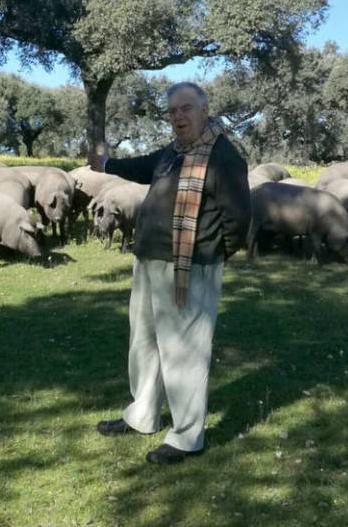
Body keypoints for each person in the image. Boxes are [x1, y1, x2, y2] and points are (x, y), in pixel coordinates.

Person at [89, 81, 250, 464]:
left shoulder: (224, 157)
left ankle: (186, 436)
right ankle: (143, 414)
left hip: (190, 269)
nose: (178, 116)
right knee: (144, 343)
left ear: (205, 110)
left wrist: (209, 254)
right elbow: (143, 166)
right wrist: (107, 164)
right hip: (149, 261)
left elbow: (239, 221)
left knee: (184, 353)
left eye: (186, 108)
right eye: (173, 111)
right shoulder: (173, 152)